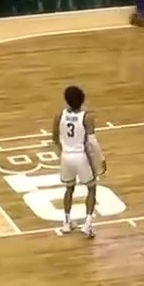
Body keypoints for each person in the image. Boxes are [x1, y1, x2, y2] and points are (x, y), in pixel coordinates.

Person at [51, 85, 105, 237]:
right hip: (81, 157)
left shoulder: (59, 115)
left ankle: (67, 222)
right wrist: (101, 158)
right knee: (92, 188)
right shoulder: (87, 116)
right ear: (82, 100)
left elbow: (54, 138)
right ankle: (87, 224)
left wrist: (64, 150)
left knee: (69, 188)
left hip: (66, 156)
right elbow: (93, 142)